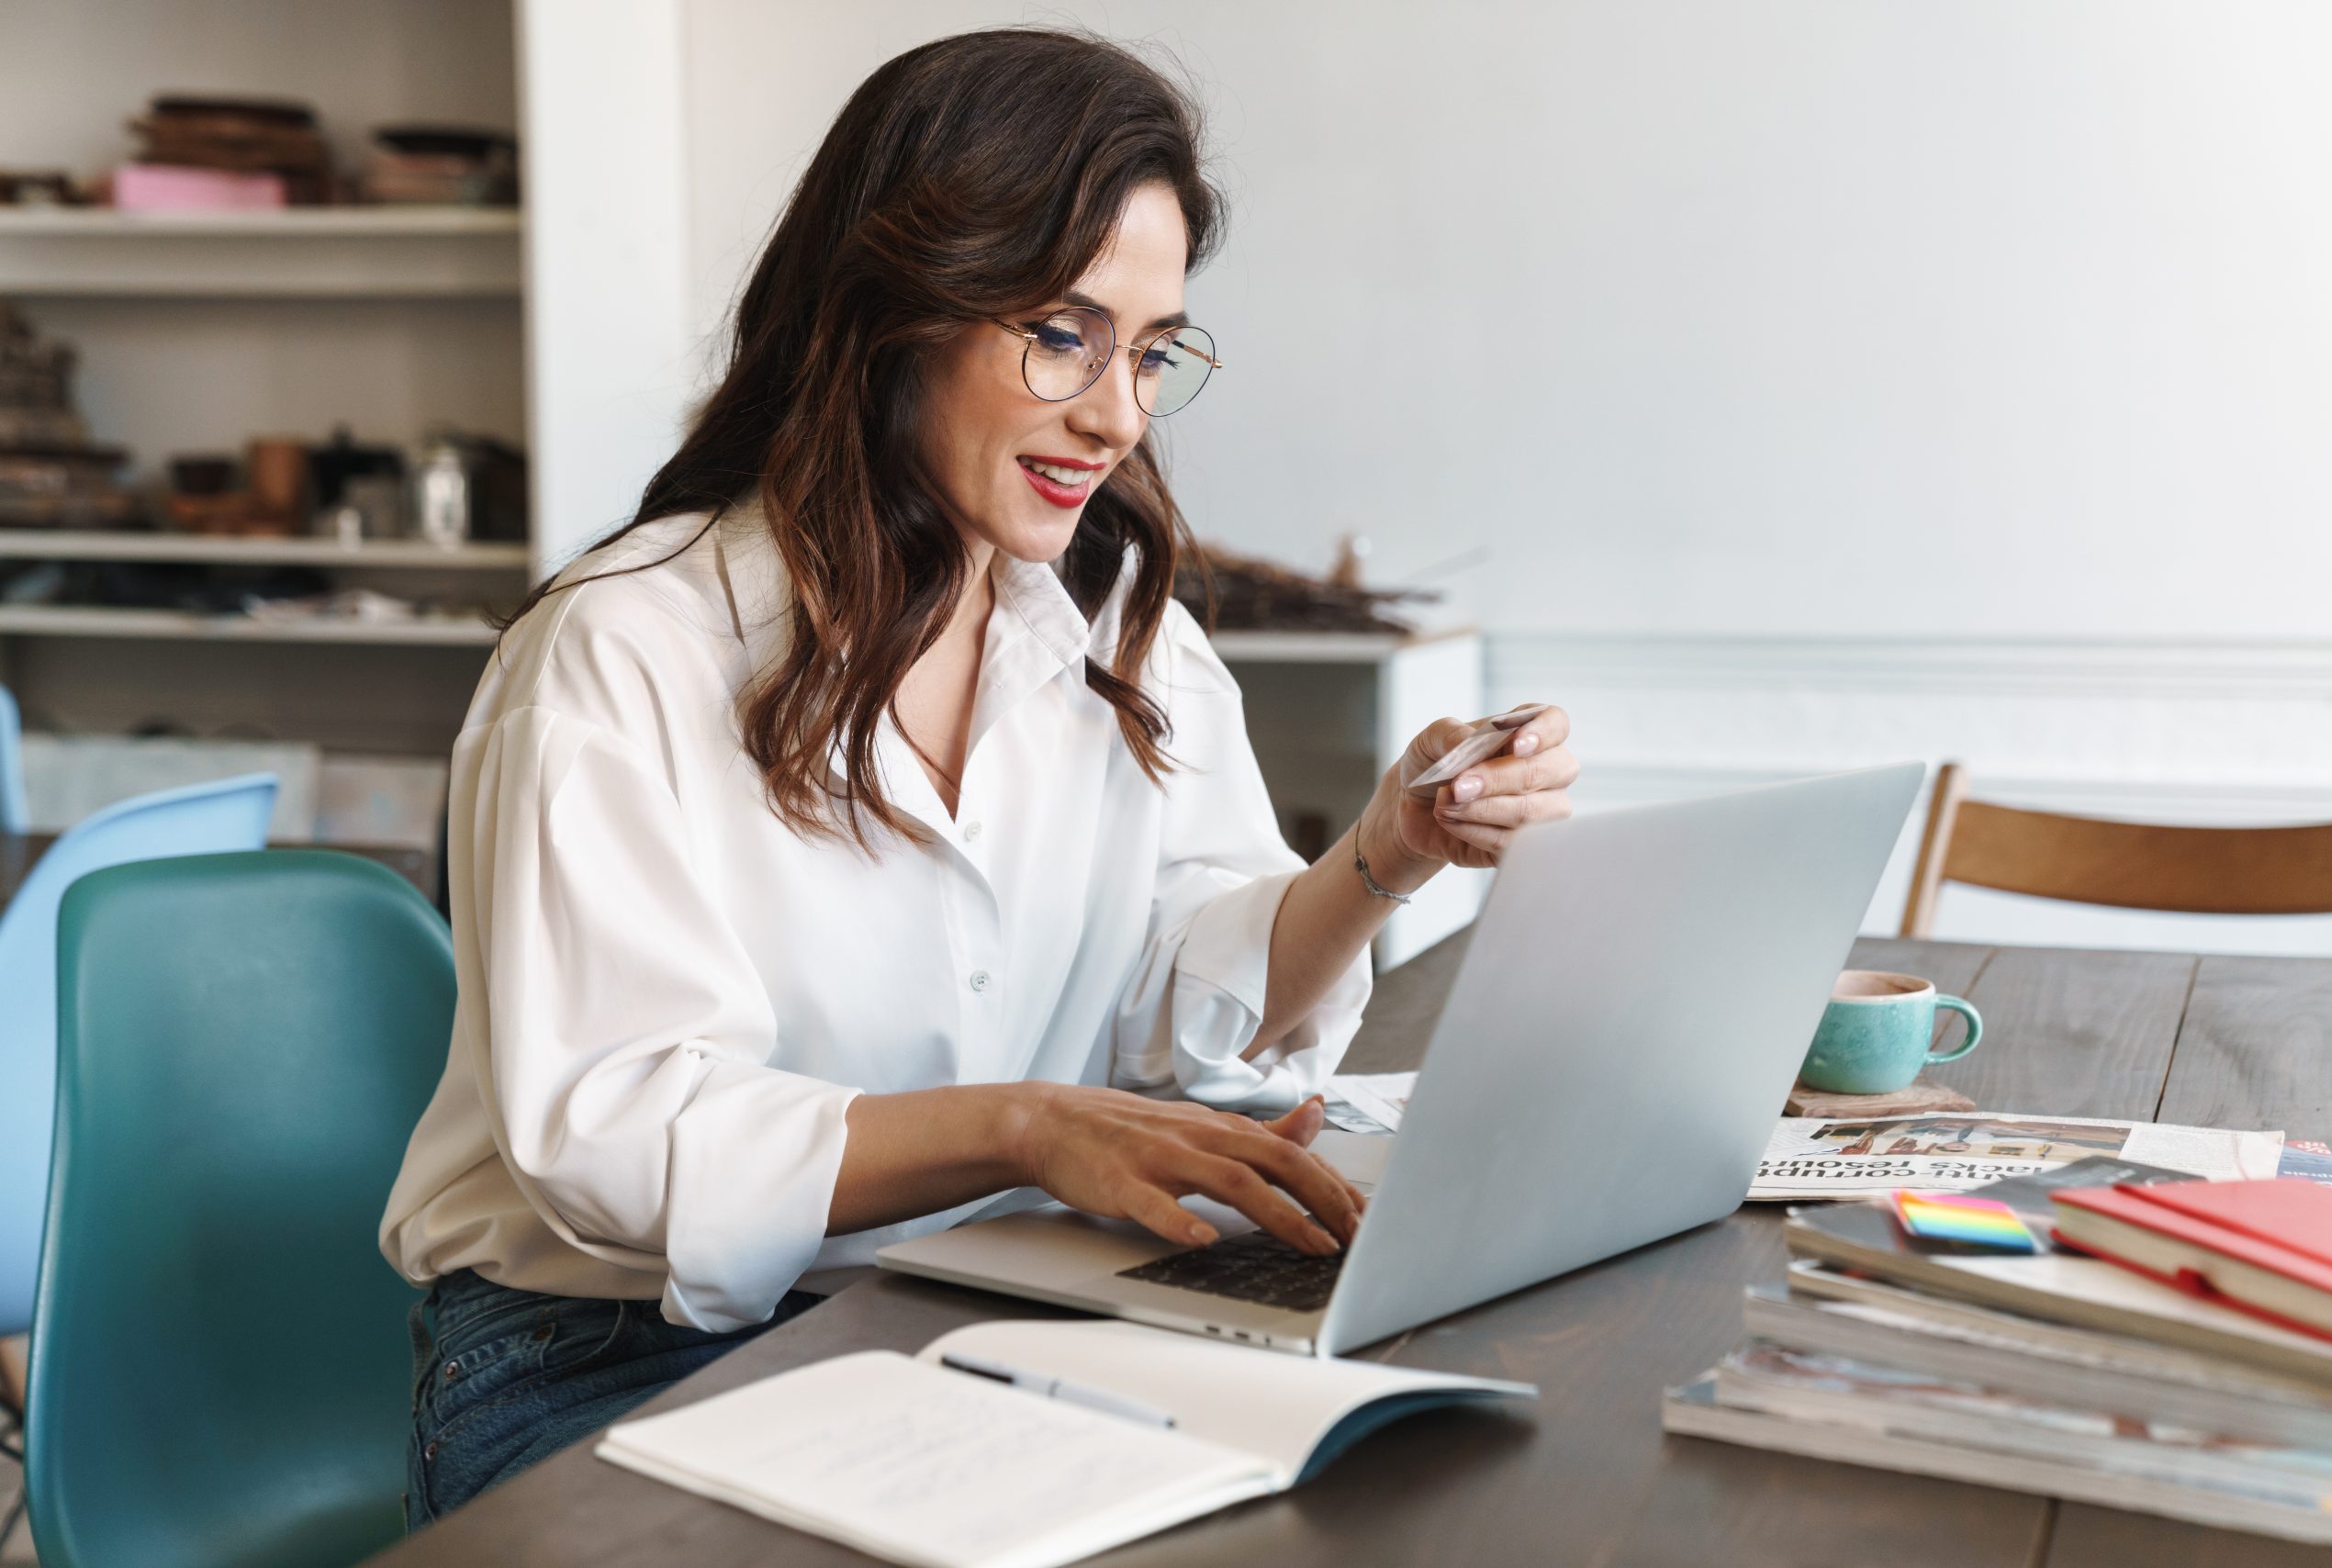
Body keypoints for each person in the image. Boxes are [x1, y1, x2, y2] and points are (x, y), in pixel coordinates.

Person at [380, 27, 1576, 1529]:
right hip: (602, 1356)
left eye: (1150, 351)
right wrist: (1017, 1126)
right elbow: (616, 1142)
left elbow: (1178, 999)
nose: (1117, 414)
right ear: (894, 312)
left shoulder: (1122, 632)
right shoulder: (622, 649)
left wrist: (1384, 857)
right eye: (1064, 335)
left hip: (966, 1308)